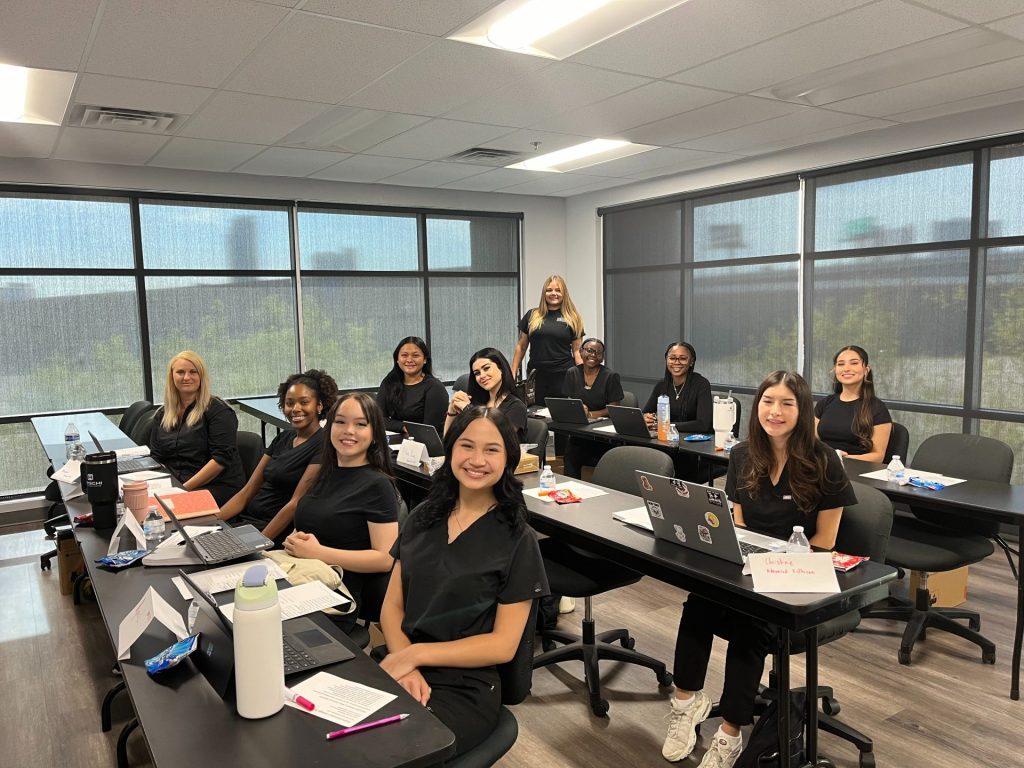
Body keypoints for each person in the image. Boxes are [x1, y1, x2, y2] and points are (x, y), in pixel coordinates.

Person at [662, 371, 856, 767]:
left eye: (787, 403)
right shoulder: (742, 454)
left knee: (752, 624)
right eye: (768, 401)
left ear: (802, 410)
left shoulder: (824, 462)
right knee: (699, 603)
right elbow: (739, 523)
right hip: (749, 564)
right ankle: (685, 704)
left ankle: (731, 733)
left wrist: (777, 566)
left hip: (798, 575)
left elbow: (826, 540)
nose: (775, 411)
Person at [380, 406, 549, 758]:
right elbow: (392, 607)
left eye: (492, 450)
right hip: (400, 656)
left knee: (392, 752)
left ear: (508, 459)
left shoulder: (518, 539)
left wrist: (414, 655)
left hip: (464, 683)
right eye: (466, 446)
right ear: (451, 449)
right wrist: (405, 660)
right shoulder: (422, 517)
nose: (477, 459)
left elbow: (503, 645)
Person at [283, 392, 399, 631]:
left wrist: (318, 552)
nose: (349, 431)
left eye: (360, 424)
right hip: (301, 577)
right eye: (340, 422)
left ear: (375, 433)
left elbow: (385, 559)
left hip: (334, 594)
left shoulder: (377, 485)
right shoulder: (325, 473)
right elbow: (313, 523)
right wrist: (296, 540)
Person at [217, 370, 339, 544]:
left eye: (304, 402)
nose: (295, 409)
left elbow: (294, 504)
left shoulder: (323, 445)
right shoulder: (283, 438)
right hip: (246, 524)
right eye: (289, 403)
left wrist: (258, 544)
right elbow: (246, 492)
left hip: (272, 531)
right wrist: (212, 522)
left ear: (319, 405)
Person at [147, 350, 245, 506]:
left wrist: (183, 491)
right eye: (180, 372)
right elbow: (157, 456)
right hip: (177, 484)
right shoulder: (163, 414)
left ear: (201, 376)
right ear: (172, 376)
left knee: (167, 510)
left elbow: (220, 460)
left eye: (193, 372)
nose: (186, 377)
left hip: (215, 486)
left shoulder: (218, 411)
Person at [511, 275, 585, 453]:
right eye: (549, 290)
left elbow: (577, 351)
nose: (553, 293)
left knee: (562, 420)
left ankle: (561, 461)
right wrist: (512, 371)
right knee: (534, 418)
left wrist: (583, 378)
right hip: (537, 377)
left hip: (563, 376)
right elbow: (521, 346)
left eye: (557, 290)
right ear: (544, 293)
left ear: (564, 293)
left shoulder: (572, 317)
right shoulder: (532, 315)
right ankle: (533, 458)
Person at [642, 342, 713, 479]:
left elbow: (703, 424)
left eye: (683, 358)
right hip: (665, 443)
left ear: (691, 362)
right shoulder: (661, 385)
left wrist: (668, 426)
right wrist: (646, 418)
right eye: (672, 358)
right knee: (645, 456)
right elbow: (646, 412)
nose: (677, 362)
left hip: (692, 447)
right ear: (666, 360)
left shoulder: (701, 384)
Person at [815, 345, 892, 464]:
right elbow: (811, 442)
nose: (846, 368)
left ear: (866, 370)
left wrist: (840, 458)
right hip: (822, 467)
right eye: (841, 364)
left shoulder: (877, 408)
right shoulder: (824, 404)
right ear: (835, 370)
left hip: (857, 472)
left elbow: (878, 456)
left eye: (854, 363)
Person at [561, 337, 624, 478]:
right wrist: (576, 410)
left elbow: (614, 408)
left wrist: (590, 414)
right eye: (589, 350)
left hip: (604, 438)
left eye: (598, 352)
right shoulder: (572, 372)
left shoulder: (611, 376)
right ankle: (571, 490)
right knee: (571, 453)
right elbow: (570, 401)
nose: (593, 355)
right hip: (580, 432)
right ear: (581, 351)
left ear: (602, 357)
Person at [445, 348, 528, 441]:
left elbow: (493, 441)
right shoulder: (476, 402)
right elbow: (448, 440)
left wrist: (467, 410)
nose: (482, 376)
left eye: (486, 368)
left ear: (501, 368)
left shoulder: (516, 407)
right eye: (477, 373)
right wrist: (451, 410)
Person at [376, 336, 448, 434]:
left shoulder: (435, 387)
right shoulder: (389, 381)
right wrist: (403, 427)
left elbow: (429, 429)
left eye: (415, 355)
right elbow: (378, 419)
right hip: (395, 440)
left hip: (423, 444)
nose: (409, 360)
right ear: (397, 359)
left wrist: (395, 425)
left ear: (425, 359)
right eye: (404, 355)